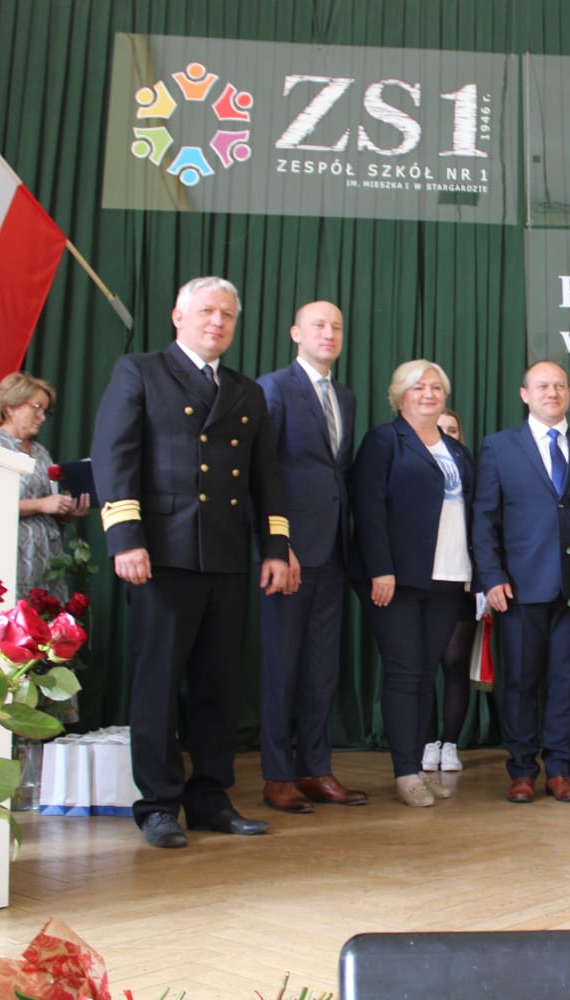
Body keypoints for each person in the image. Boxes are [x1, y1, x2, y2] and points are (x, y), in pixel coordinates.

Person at [91, 276, 293, 848]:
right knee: (157, 684)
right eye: (206, 311)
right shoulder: (140, 371)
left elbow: (266, 478)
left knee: (218, 684)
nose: (217, 322)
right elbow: (114, 455)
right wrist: (125, 537)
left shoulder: (245, 391)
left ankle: (210, 797)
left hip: (225, 554)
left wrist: (275, 547)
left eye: (227, 314)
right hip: (160, 553)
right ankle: (158, 804)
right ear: (178, 316)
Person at [255, 300, 368, 814]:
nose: (329, 333)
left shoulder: (345, 397)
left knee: (323, 669)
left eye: (337, 326)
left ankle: (315, 769)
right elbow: (263, 472)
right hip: (290, 554)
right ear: (295, 332)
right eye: (319, 325)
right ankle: (278, 776)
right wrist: (278, 545)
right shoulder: (274, 388)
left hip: (333, 551)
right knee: (282, 666)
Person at [474, 361, 570, 804]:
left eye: (560, 385)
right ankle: (522, 769)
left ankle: (561, 770)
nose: (553, 392)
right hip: (518, 587)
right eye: (543, 386)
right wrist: (491, 577)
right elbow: (484, 518)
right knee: (521, 682)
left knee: (566, 682)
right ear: (524, 394)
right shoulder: (498, 446)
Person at [352, 360, 474, 807]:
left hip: (449, 577)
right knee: (404, 674)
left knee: (425, 676)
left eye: (436, 387)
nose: (429, 393)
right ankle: (405, 773)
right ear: (400, 395)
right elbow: (368, 508)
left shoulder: (456, 450)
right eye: (418, 387)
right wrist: (380, 568)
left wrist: (473, 573)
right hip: (397, 579)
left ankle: (420, 769)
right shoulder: (384, 441)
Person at [0, 373, 91, 602]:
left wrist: (66, 512)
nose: (41, 417)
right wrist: (41, 504)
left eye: (45, 411)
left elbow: (49, 502)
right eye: (37, 408)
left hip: (45, 558)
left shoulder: (41, 452)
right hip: (10, 556)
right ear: (11, 407)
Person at [421, 408, 476, 774]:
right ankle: (428, 742)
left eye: (452, 430)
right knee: (423, 665)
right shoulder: (412, 470)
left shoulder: (471, 471)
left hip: (462, 580)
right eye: (438, 428)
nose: (445, 434)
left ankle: (451, 743)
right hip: (422, 580)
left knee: (455, 663)